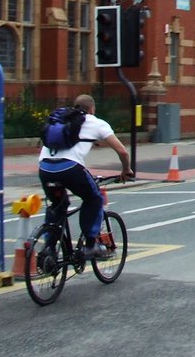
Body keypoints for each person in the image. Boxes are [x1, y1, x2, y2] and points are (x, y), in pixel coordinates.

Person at [38, 94, 133, 258]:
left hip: (45, 168)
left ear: (75, 106)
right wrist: (126, 170)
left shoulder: (60, 119)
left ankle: (49, 249)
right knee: (94, 198)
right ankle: (90, 245)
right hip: (70, 168)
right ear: (92, 109)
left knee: (57, 204)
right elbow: (122, 151)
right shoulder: (96, 123)